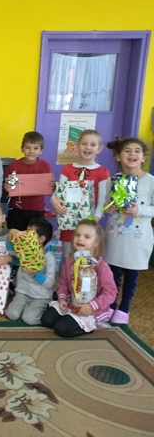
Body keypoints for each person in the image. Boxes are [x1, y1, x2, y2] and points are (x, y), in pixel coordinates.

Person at [103, 137, 154, 324]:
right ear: (118, 157)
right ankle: (110, 304)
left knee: (132, 272)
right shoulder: (113, 180)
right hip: (116, 235)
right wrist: (108, 207)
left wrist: (140, 210)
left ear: (143, 157)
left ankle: (124, 308)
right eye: (127, 151)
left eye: (137, 151)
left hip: (138, 239)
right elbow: (105, 203)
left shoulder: (151, 181)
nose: (132, 154)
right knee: (113, 271)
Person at [41, 220, 117, 337]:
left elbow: (110, 293)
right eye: (77, 235)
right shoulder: (71, 260)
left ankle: (92, 325)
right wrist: (62, 298)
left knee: (61, 329)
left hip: (91, 309)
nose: (80, 239)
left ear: (96, 242)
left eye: (87, 237)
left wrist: (91, 306)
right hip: (71, 302)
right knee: (46, 320)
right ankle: (69, 318)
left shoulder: (101, 267)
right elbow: (64, 282)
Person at [51, 129, 110, 270]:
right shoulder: (68, 169)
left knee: (87, 258)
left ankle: (85, 283)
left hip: (89, 224)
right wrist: (54, 201)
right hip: (69, 223)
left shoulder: (102, 172)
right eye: (84, 144)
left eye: (93, 144)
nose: (88, 147)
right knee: (67, 256)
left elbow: (103, 199)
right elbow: (59, 193)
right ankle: (65, 283)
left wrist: (95, 219)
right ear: (77, 146)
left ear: (99, 148)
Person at [5, 217, 56, 325]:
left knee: (29, 319)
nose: (25, 235)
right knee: (12, 314)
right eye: (26, 231)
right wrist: (11, 234)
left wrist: (37, 274)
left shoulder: (49, 258)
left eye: (30, 233)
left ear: (41, 239)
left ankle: (46, 309)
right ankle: (28, 308)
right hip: (23, 293)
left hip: (41, 297)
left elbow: (50, 283)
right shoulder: (24, 250)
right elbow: (10, 250)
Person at [3, 131, 54, 231]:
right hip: (16, 210)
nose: (31, 151)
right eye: (28, 147)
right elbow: (5, 185)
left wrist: (53, 185)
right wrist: (6, 187)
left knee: (35, 237)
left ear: (41, 150)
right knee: (15, 237)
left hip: (37, 210)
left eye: (35, 148)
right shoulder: (13, 165)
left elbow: (50, 186)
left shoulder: (45, 166)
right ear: (22, 149)